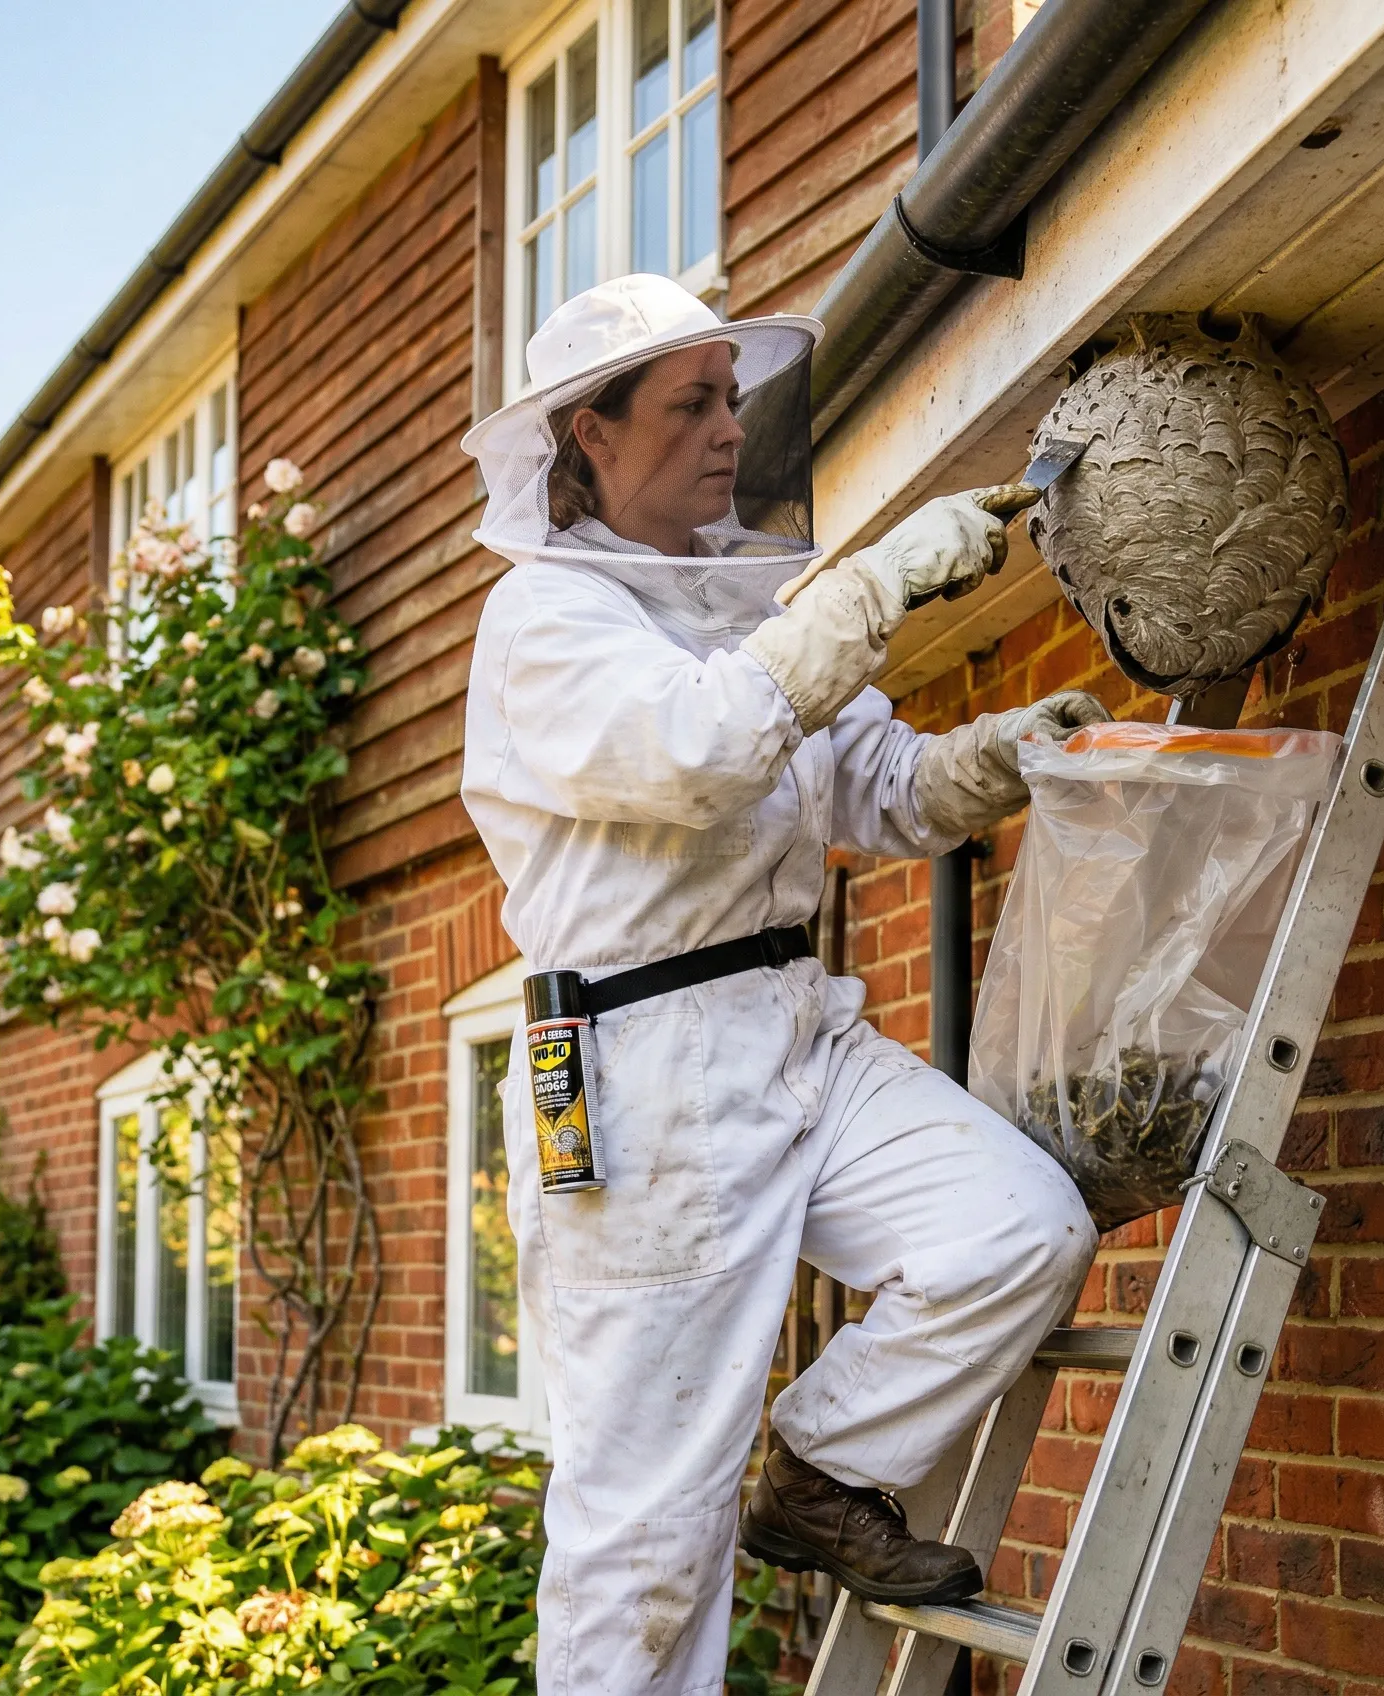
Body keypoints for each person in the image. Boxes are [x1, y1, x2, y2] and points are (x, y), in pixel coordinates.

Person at [459, 272, 1101, 1696]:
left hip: (798, 1033)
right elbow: (701, 757)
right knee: (646, 1542)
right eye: (689, 404)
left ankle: (820, 1474)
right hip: (641, 1081)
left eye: (729, 401)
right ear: (587, 438)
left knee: (1016, 1232)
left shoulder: (735, 611)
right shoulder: (545, 621)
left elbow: (879, 787)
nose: (725, 432)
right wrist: (872, 586)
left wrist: (1001, 753)